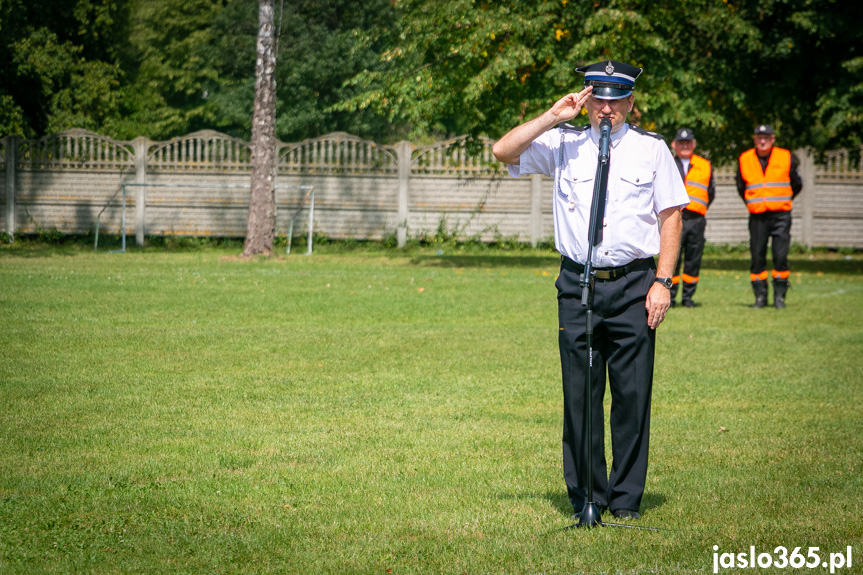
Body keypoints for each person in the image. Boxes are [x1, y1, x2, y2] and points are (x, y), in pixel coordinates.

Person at [492, 60, 688, 520]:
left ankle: (625, 501)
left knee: (632, 395)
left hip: (635, 284)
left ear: (629, 103)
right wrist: (551, 116)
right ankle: (587, 497)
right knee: (580, 395)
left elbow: (671, 217)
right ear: (586, 101)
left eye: (615, 100)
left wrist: (662, 281)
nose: (606, 108)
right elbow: (503, 151)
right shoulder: (565, 144)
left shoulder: (651, 149)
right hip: (577, 282)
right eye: (597, 99)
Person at [736, 125, 803, 308]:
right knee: (757, 256)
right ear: (754, 139)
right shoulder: (745, 158)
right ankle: (760, 297)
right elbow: (741, 187)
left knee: (780, 255)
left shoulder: (785, 156)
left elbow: (797, 184)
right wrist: (754, 202)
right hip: (757, 216)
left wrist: (782, 200)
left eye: (766, 137)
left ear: (772, 139)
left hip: (781, 215)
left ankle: (780, 297)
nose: (762, 141)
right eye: (759, 137)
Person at [669, 128, 715, 307]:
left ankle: (688, 297)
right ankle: (671, 297)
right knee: (672, 257)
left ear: (694, 144)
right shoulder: (668, 163)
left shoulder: (705, 165)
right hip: (674, 218)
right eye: (681, 143)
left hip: (696, 219)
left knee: (693, 258)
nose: (685, 145)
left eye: (688, 142)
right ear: (674, 145)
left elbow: (711, 192)